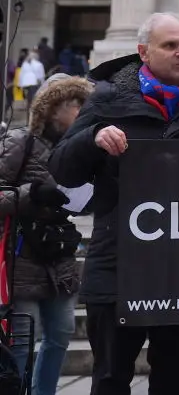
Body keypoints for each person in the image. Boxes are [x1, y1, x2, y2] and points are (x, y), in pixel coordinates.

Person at [47, 12, 179, 395]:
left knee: (178, 380)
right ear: (144, 52)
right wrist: (93, 137)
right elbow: (62, 169)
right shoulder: (106, 100)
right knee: (111, 379)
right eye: (171, 45)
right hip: (119, 269)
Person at [0, 74, 92, 395]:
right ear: (53, 109)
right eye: (74, 105)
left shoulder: (79, 149)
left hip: (59, 256)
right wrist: (33, 194)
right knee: (24, 338)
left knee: (61, 334)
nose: (82, 111)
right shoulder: (19, 142)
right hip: (23, 257)